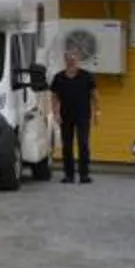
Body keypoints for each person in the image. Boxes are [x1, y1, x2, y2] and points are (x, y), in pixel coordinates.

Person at [49, 49, 96, 183]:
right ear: (65, 61)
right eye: (69, 59)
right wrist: (56, 113)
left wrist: (97, 111)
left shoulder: (86, 76)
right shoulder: (59, 77)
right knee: (67, 145)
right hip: (66, 116)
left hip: (83, 115)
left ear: (78, 60)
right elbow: (54, 96)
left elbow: (94, 94)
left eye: (74, 59)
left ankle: (84, 174)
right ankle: (68, 175)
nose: (71, 61)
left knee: (83, 143)